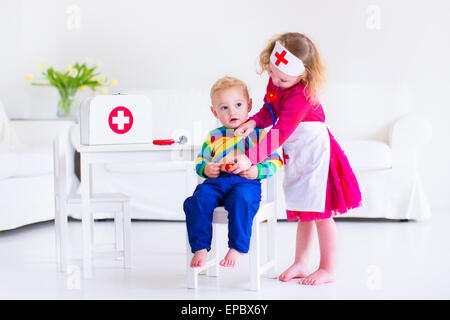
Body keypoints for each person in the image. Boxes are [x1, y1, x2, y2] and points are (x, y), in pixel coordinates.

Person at [231, 32, 362, 285]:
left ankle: (328, 267)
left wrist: (251, 158)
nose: (275, 82)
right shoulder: (279, 81)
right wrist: (253, 122)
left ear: (303, 75)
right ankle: (301, 262)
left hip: (316, 154)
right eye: (272, 73)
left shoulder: (301, 95)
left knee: (322, 214)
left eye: (283, 79)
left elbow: (281, 131)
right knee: (304, 211)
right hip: (298, 151)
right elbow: (270, 110)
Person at [184, 76, 283, 268]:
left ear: (249, 104)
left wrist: (257, 170)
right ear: (214, 112)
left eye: (238, 104)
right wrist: (206, 168)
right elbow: (200, 160)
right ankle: (201, 247)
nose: (232, 112)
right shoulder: (214, 136)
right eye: (224, 108)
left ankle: (238, 247)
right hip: (216, 184)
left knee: (242, 201)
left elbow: (276, 160)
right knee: (196, 200)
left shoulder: (259, 134)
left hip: (245, 183)